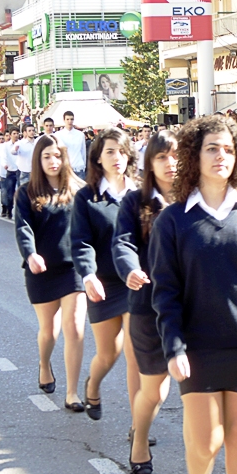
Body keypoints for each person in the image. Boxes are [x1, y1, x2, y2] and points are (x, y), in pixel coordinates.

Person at [149, 115, 237, 474]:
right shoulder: (172, 220)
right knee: (206, 442)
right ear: (194, 155)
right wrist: (173, 347)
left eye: (229, 149)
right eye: (212, 149)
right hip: (196, 347)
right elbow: (165, 291)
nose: (221, 155)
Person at [112, 130, 178, 474]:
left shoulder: (196, 198)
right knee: (155, 387)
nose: (171, 163)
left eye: (176, 156)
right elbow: (122, 242)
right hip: (147, 304)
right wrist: (131, 269)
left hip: (191, 307)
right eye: (162, 157)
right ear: (149, 163)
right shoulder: (135, 202)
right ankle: (139, 439)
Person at [70, 127, 141, 429]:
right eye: (110, 151)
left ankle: (139, 426)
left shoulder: (141, 193)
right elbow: (80, 242)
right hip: (103, 284)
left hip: (136, 283)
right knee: (108, 353)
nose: (117, 157)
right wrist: (88, 275)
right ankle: (93, 384)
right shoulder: (87, 197)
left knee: (136, 355)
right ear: (98, 157)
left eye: (122, 151)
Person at [14, 134, 87, 411]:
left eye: (57, 155)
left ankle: (72, 392)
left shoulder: (79, 190)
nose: (53, 161)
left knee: (75, 328)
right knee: (49, 331)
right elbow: (23, 228)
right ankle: (44, 364)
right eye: (47, 156)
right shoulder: (27, 192)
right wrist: (30, 254)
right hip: (41, 270)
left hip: (73, 269)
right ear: (38, 160)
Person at [56, 111, 87, 180]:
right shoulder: (58, 135)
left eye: (71, 119)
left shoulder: (80, 135)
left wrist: (83, 166)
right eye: (67, 119)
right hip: (65, 168)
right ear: (64, 120)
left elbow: (83, 151)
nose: (70, 121)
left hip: (79, 167)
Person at [0, 127, 21, 220]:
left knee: (21, 193)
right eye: (14, 134)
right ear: (10, 135)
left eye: (17, 133)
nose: (16, 135)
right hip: (10, 171)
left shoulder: (21, 144)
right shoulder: (5, 146)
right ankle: (9, 210)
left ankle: (20, 213)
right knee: (10, 193)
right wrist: (5, 164)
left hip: (20, 170)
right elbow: (3, 157)